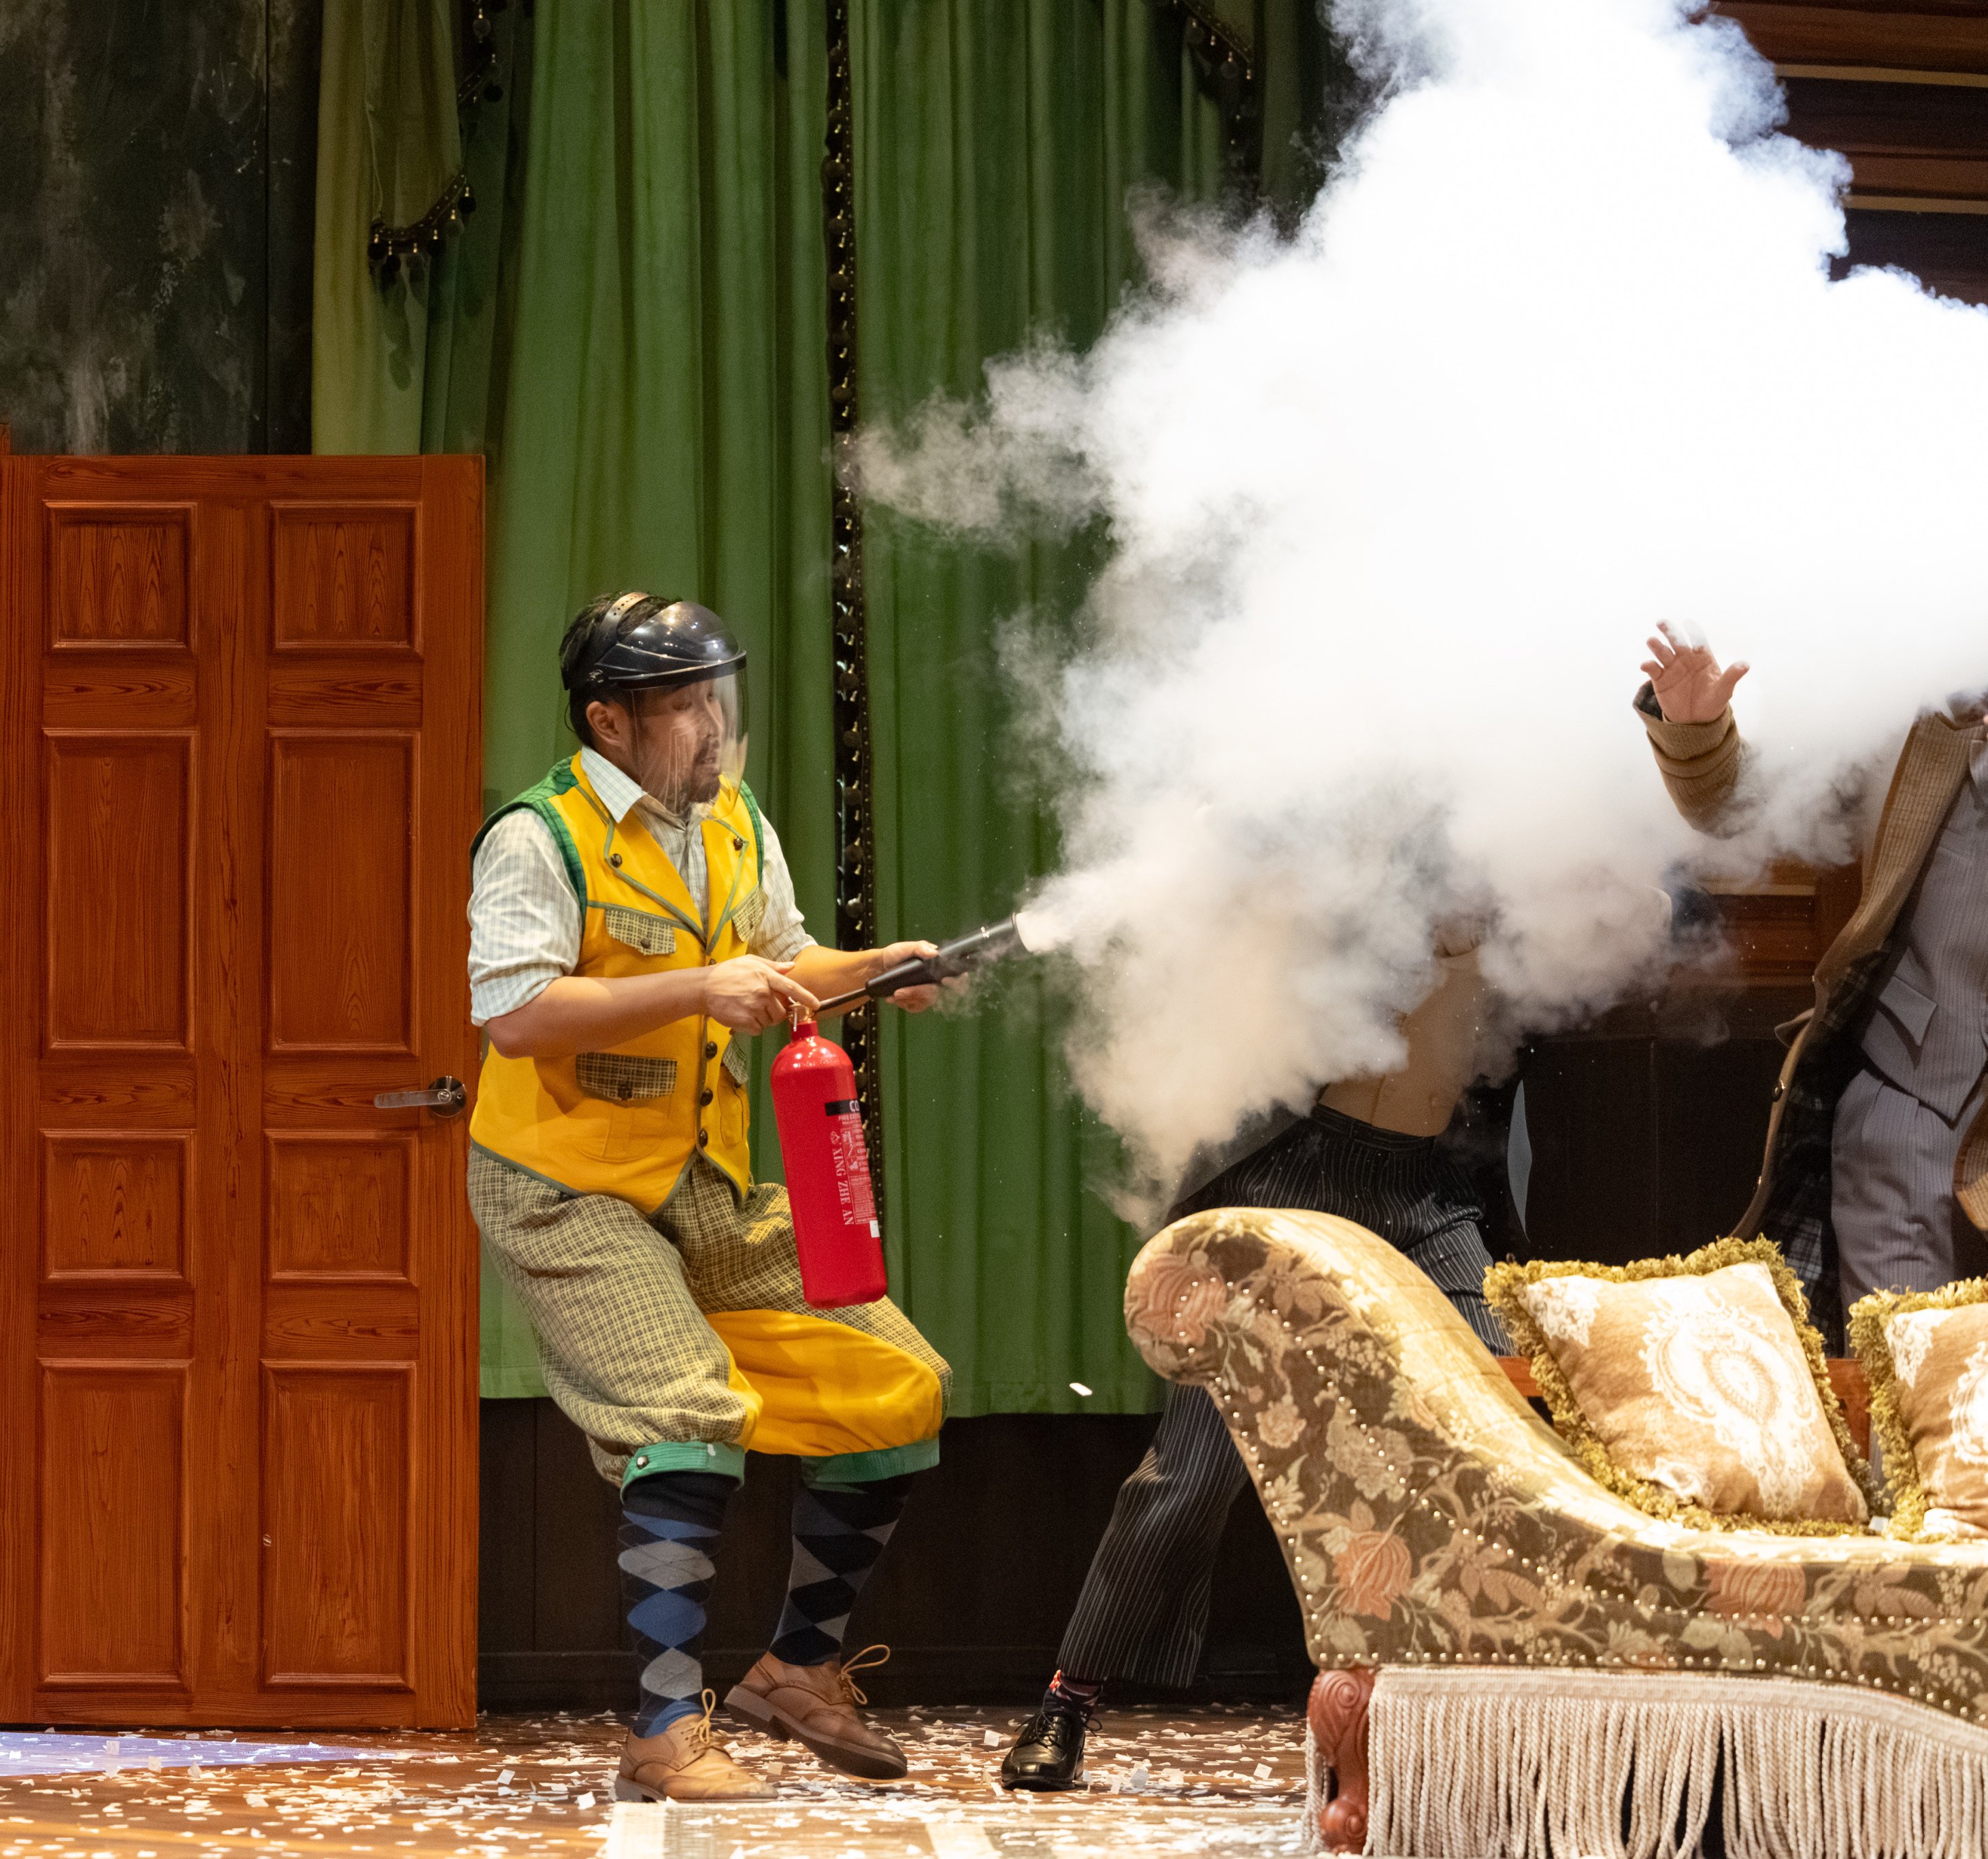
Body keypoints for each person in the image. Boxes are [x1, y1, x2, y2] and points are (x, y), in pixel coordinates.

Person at [468, 591, 952, 1804]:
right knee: (684, 1413)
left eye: (715, 698)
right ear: (610, 721)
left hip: (708, 1184)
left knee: (894, 1384)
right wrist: (698, 988)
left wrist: (876, 966)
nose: (713, 725)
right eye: (685, 704)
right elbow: (516, 1012)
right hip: (568, 1187)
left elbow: (781, 964)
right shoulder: (539, 836)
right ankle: (663, 1729)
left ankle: (796, 1668)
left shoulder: (731, 817)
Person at [999, 941, 1515, 1791]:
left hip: (1427, 1193)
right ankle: (1069, 1698)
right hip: (1292, 1175)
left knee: (1506, 1428)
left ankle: (1471, 1710)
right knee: (1193, 1473)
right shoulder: (1352, 881)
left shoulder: (1520, 891)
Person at [1636, 569, 1988, 1322]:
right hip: (1902, 1104)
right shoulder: (1930, 720)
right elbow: (1748, 810)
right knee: (1897, 1361)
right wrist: (1698, 731)